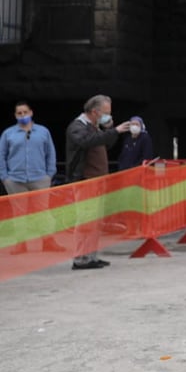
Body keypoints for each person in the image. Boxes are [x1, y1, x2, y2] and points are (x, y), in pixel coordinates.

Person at [65, 94, 132, 269]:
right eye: (105, 113)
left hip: (98, 181)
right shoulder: (78, 127)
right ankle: (80, 258)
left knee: (96, 221)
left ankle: (91, 255)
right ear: (94, 112)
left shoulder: (95, 127)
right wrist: (114, 131)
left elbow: (106, 144)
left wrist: (110, 131)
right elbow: (86, 142)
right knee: (85, 220)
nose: (108, 116)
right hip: (85, 180)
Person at [1, 100, 65, 254]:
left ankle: (48, 241)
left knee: (43, 211)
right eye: (19, 113)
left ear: (31, 113)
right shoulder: (8, 133)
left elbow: (51, 153)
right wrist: (4, 177)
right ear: (15, 115)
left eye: (25, 112)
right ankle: (21, 244)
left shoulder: (43, 131)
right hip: (15, 179)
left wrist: (49, 174)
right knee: (19, 213)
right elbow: (1, 155)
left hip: (39, 177)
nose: (22, 115)